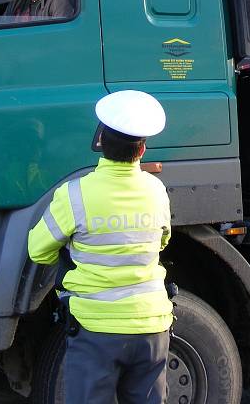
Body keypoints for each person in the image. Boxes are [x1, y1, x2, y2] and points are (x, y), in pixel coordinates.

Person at [28, 90, 173, 404]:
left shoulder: (74, 195)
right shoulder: (156, 190)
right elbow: (163, 240)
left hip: (96, 331)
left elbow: (37, 250)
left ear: (101, 143)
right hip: (152, 328)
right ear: (142, 148)